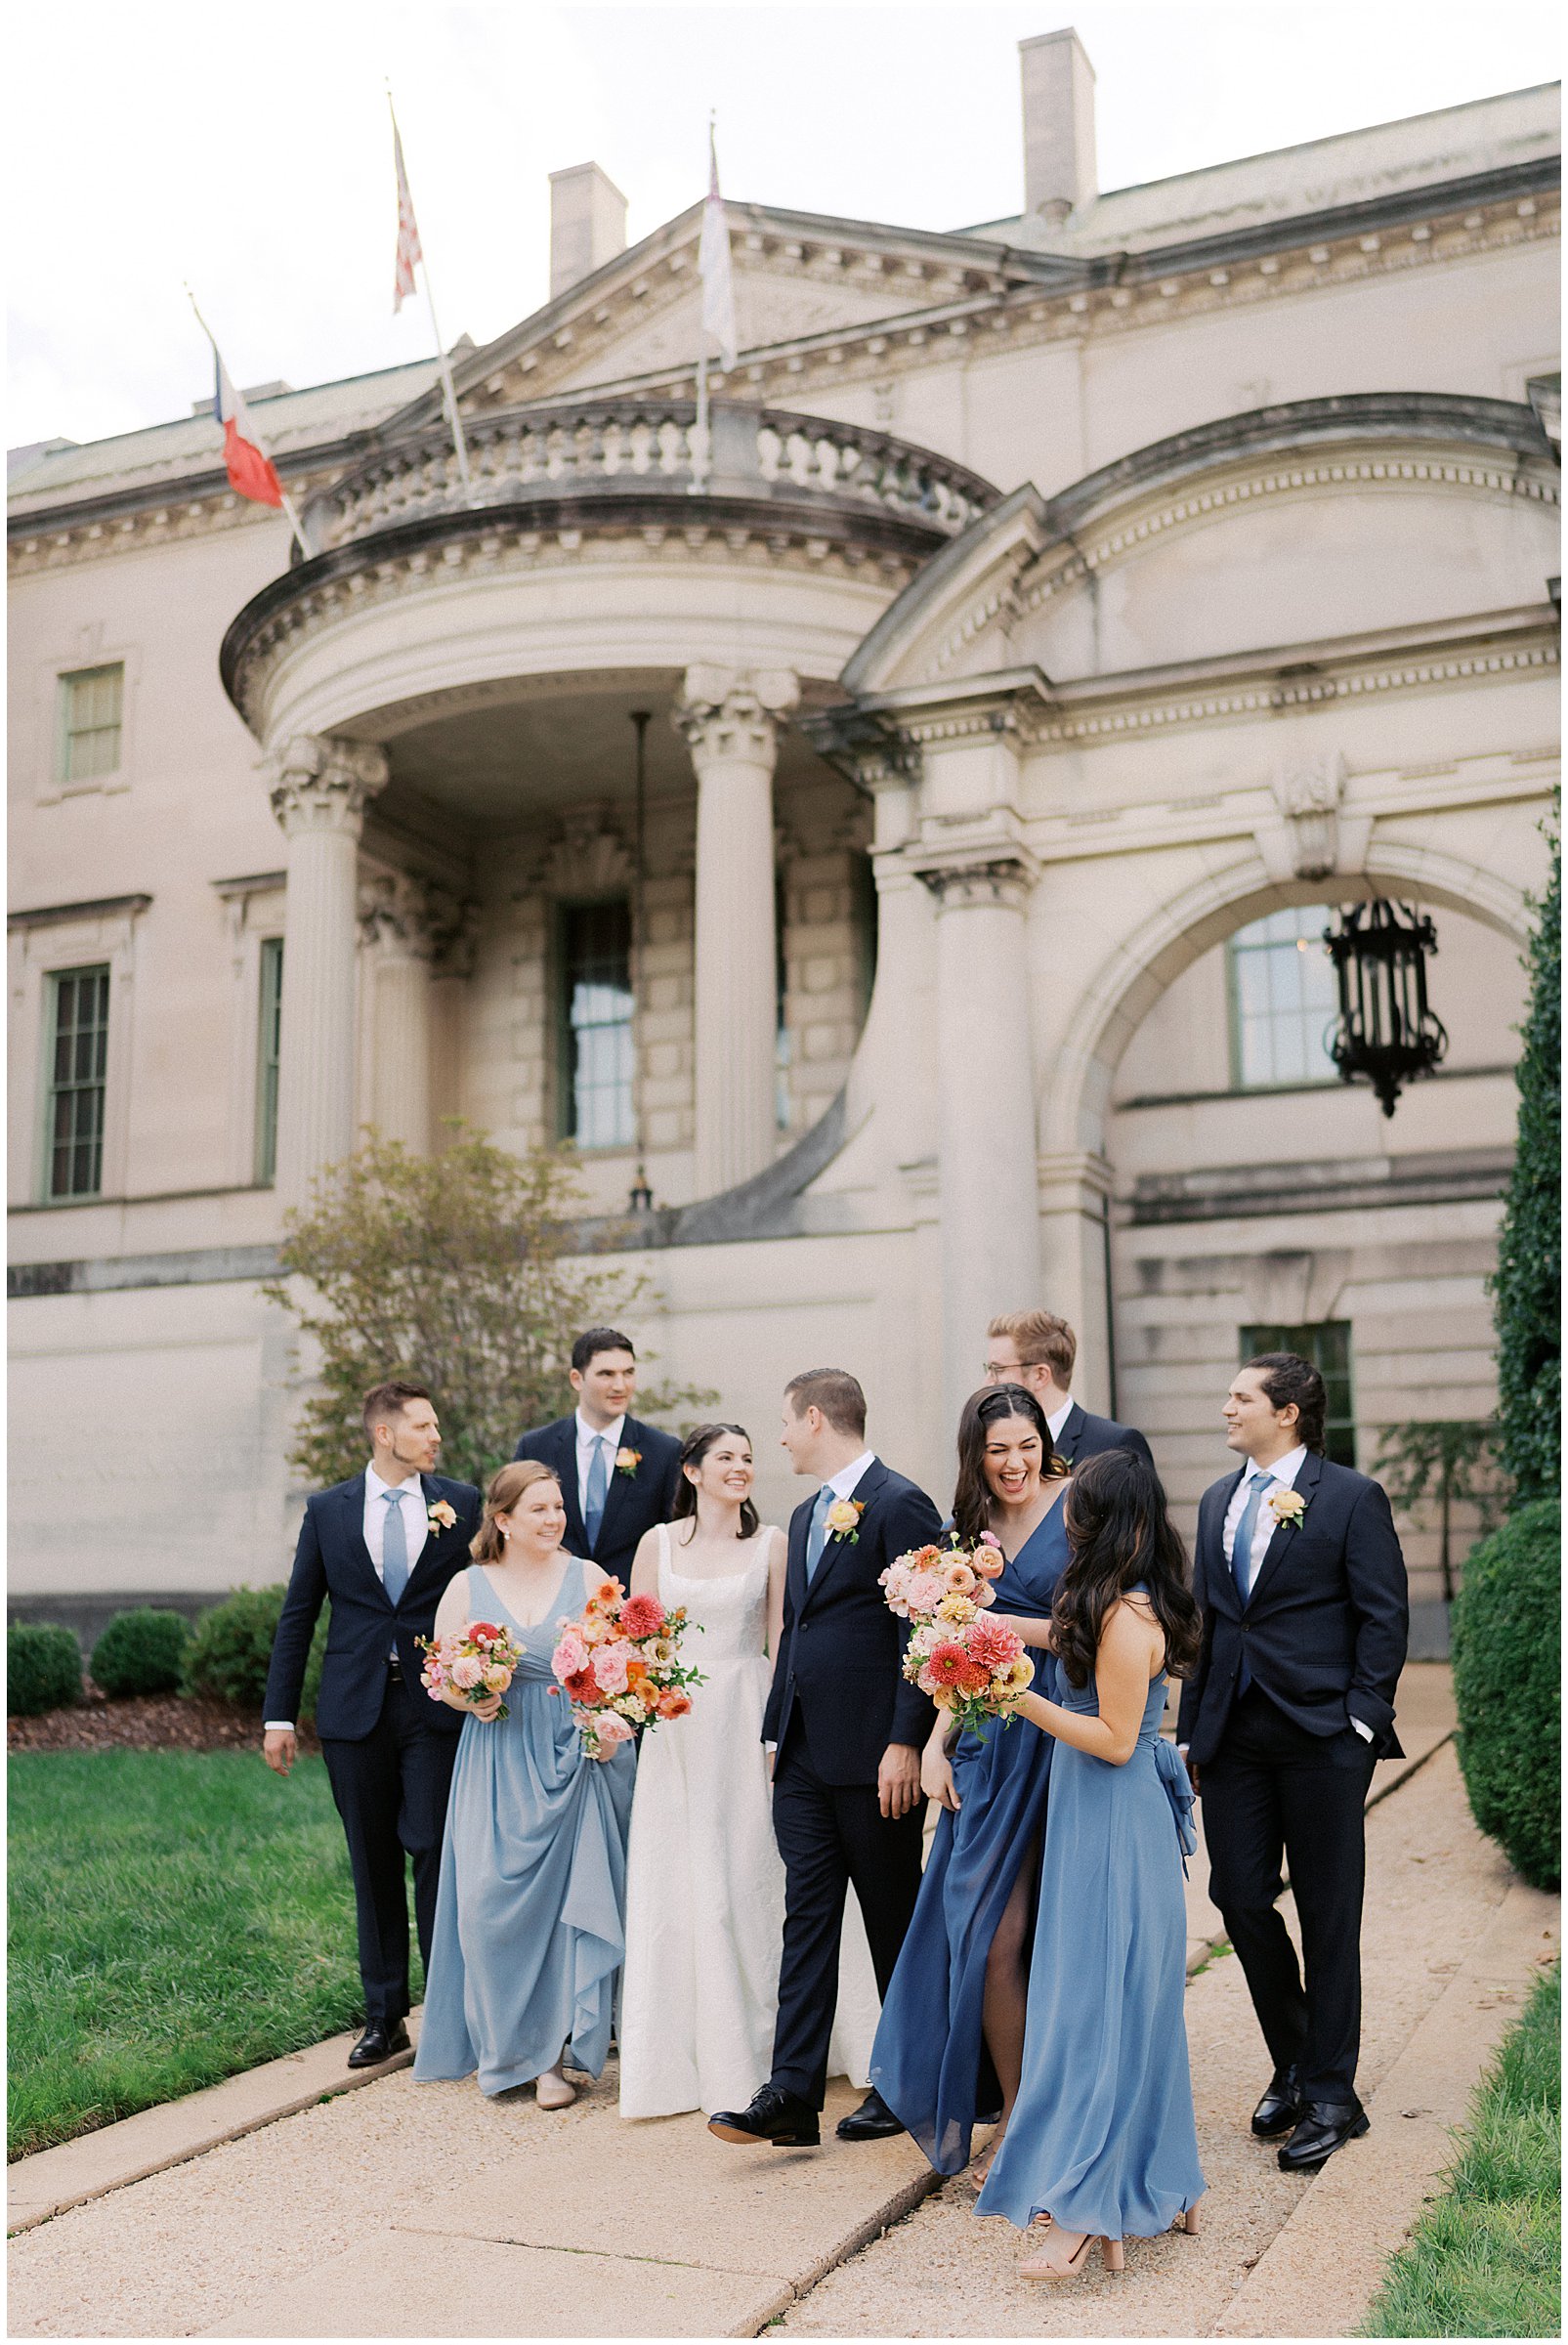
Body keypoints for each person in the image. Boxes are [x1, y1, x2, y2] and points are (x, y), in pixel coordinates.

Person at [977, 1447, 1206, 2278]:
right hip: (1088, 1820)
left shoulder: (1125, 1618)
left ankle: (1084, 2207)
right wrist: (986, 1627)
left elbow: (1112, 1741)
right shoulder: (1106, 1605)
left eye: (1075, 1504)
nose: (1062, 1513)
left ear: (1100, 1521)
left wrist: (1017, 1697)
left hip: (1112, 1821)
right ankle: (1171, 2180)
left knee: (1097, 2013)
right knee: (1114, 2004)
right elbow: (1061, 1636)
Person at [1177, 1353, 1408, 2173]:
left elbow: (1383, 1616)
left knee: (1327, 1911)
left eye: (1240, 1397)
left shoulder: (1349, 1498)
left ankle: (1333, 2095)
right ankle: (1297, 2060)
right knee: (1236, 1896)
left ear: (1287, 1413)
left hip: (1321, 1738)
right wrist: (1192, 1729)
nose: (1226, 1407)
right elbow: (1208, 1621)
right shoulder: (1214, 1502)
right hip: (1233, 1737)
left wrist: (1359, 1718)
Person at [617, 1423, 881, 2119]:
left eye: (748, 1456)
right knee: (684, 1882)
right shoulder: (656, 1545)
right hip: (674, 1733)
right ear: (693, 1471)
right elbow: (632, 1642)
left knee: (752, 1876)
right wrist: (620, 1700)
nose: (740, 1467)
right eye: (725, 1458)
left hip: (747, 1720)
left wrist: (779, 1738)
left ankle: (787, 2050)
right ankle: (692, 2057)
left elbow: (782, 1645)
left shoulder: (771, 1545)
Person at [708, 1370, 943, 2151]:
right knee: (805, 1919)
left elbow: (925, 1629)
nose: (777, 1439)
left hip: (877, 1756)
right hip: (804, 1756)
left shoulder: (900, 1502)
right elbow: (797, 1632)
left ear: (816, 1418)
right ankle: (791, 2093)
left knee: (892, 1922)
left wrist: (905, 1740)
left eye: (784, 1423)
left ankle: (913, 2084)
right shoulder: (806, 1514)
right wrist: (777, 1734)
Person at [871, 1384, 1071, 2184]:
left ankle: (1075, 2108)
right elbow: (949, 1658)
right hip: (989, 1744)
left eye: (1025, 1445)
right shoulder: (963, 1535)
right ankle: (1015, 2111)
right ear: (975, 1456)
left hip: (1070, 1737)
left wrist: (991, 1623)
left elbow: (1097, 1627)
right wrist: (934, 1744)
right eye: (996, 1450)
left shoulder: (1080, 1507)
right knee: (988, 1938)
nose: (1013, 1463)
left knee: (1067, 1938)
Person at [263, 1382, 482, 2068]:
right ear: (385, 1433)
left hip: (435, 1705)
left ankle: (452, 2012)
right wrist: (278, 1714)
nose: (435, 1435)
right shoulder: (328, 1511)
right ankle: (384, 2018)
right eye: (423, 1425)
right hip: (355, 1711)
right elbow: (300, 1613)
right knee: (372, 1863)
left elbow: (485, 1591)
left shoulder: (463, 1504)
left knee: (436, 1851)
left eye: (436, 1424)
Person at [413, 1460, 634, 2106]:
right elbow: (441, 1676)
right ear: (503, 1520)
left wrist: (604, 1713)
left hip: (573, 1755)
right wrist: (467, 1699)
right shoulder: (467, 1585)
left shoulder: (588, 1578)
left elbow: (620, 1663)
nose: (554, 1519)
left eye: (558, 1507)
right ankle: (502, 2047)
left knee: (568, 1907)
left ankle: (549, 2061)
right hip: (497, 1756)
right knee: (487, 1905)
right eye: (538, 1509)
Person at [513, 1328, 682, 1590]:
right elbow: (516, 1531)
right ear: (576, 1379)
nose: (620, 1386)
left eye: (628, 1373)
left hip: (632, 1609)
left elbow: (675, 1542)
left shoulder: (664, 1451)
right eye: (606, 1374)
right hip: (550, 1601)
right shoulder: (535, 1447)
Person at [984, 1310, 1153, 1469]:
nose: (988, 1382)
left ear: (1040, 1375)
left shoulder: (1115, 1445)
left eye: (998, 1370)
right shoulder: (989, 1445)